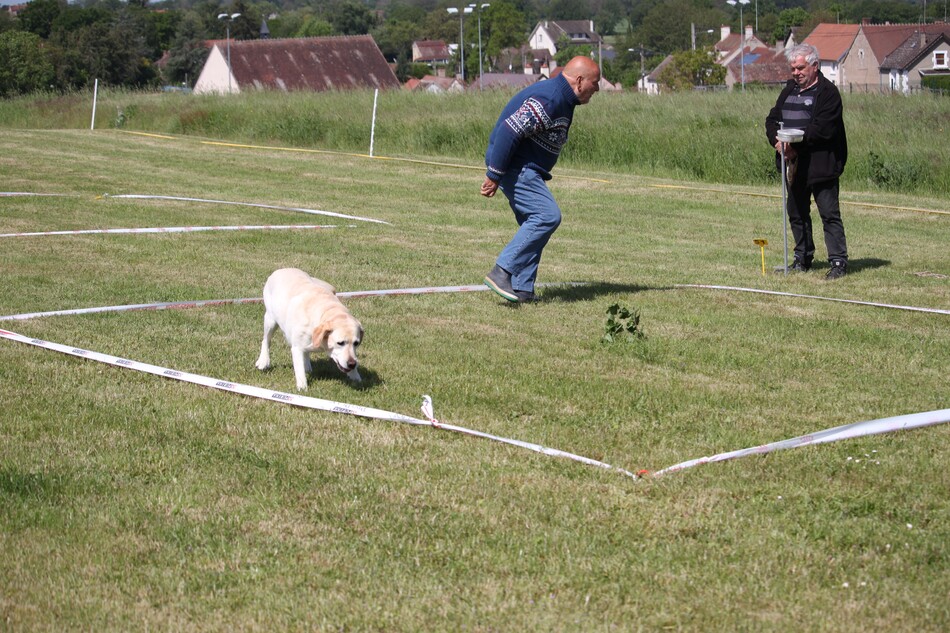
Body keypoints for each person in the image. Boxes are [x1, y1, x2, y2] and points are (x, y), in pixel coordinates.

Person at [481, 56, 601, 302]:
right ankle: (501, 271)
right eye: (595, 82)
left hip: (527, 168)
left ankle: (522, 288)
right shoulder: (550, 99)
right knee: (546, 216)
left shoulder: (564, 99)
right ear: (579, 81)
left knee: (533, 225)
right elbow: (508, 130)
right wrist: (495, 174)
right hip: (517, 167)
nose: (597, 88)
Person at [765, 43, 850, 280]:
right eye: (793, 68)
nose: (796, 73)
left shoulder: (828, 93)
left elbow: (822, 130)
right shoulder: (789, 89)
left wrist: (793, 145)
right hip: (793, 166)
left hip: (821, 165)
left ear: (815, 66)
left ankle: (838, 261)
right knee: (796, 213)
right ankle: (802, 258)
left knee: (829, 214)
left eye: (800, 67)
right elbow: (773, 119)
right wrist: (777, 141)